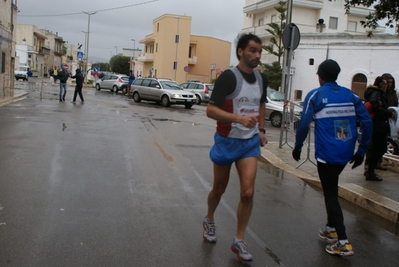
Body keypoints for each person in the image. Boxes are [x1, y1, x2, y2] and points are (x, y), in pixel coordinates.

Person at [292, 59, 372, 256]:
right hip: (345, 154)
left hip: (327, 155)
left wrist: (298, 146)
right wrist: (361, 151)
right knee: (332, 188)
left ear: (320, 76)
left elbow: (303, 124)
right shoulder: (351, 95)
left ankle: (343, 241)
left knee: (330, 195)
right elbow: (368, 122)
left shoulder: (316, 95)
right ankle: (331, 228)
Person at [202, 33, 268, 263]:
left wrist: (261, 130)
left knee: (247, 192)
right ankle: (209, 220)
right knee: (219, 189)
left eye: (259, 51)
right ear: (240, 51)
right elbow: (210, 111)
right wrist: (238, 119)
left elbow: (261, 104)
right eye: (252, 50)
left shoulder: (261, 79)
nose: (256, 55)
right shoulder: (228, 78)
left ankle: (239, 239)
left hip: (249, 143)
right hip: (226, 140)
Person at [363, 77, 396, 181]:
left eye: (386, 84)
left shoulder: (377, 93)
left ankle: (371, 170)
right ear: (378, 85)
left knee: (380, 148)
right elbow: (377, 107)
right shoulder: (376, 93)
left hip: (378, 125)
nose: (385, 86)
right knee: (378, 149)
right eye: (384, 84)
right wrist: (389, 113)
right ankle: (370, 172)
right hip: (377, 126)